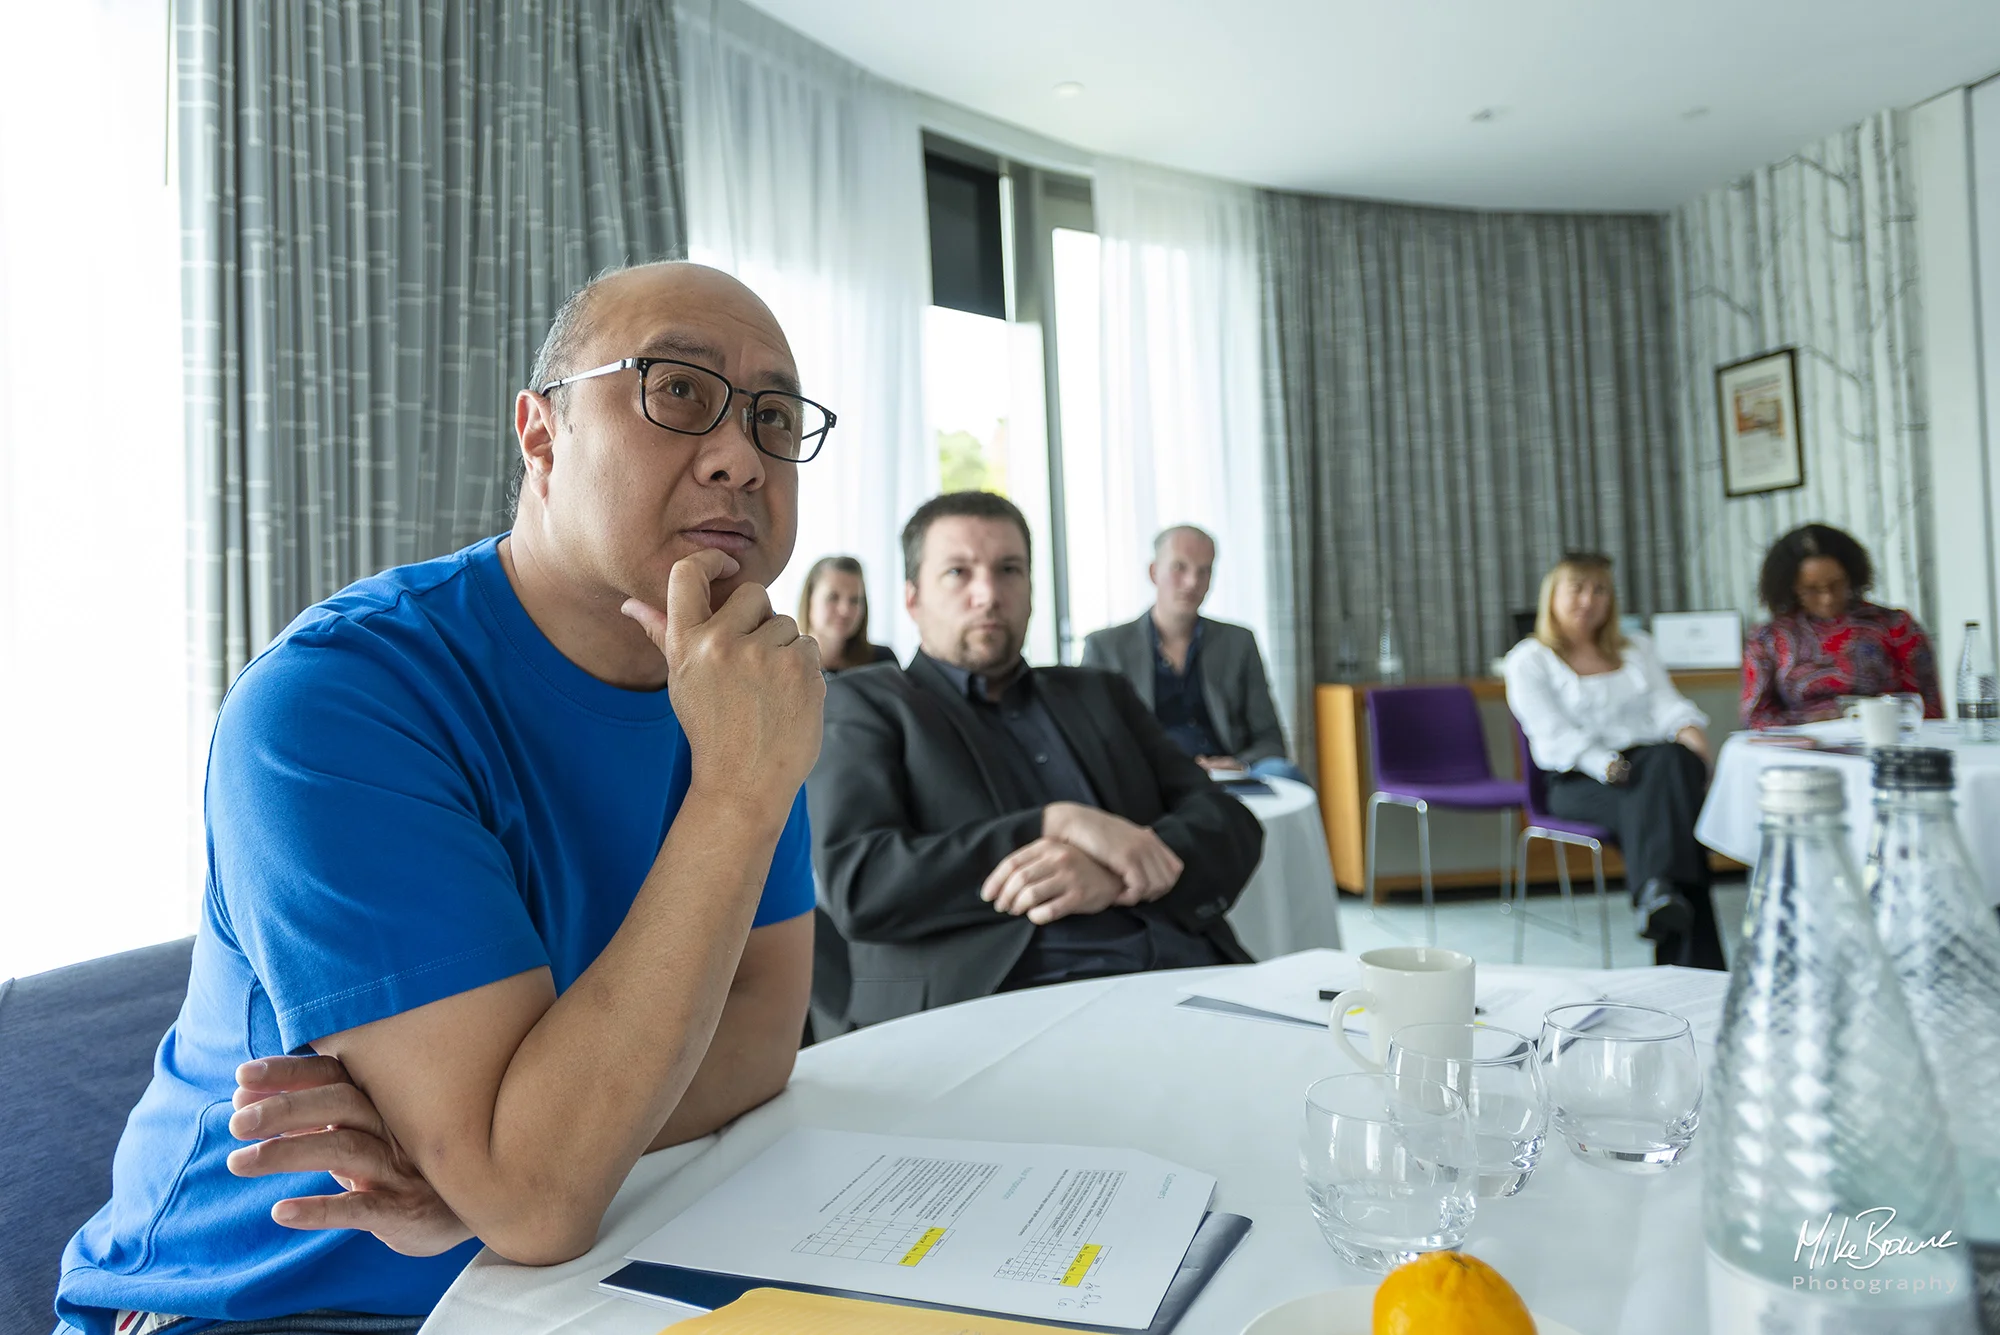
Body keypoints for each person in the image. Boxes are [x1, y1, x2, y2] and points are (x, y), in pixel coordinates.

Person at [54, 263, 832, 1334]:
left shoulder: (733, 683)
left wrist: (497, 1157)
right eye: (679, 391)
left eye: (776, 418)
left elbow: (758, 1035)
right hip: (261, 1302)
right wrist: (511, 1166)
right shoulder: (340, 700)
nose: (743, 456)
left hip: (585, 1265)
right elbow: (536, 1198)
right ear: (540, 435)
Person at [807, 492, 1264, 1030]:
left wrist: (1116, 874)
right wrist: (1056, 822)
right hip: (994, 1011)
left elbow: (1229, 824)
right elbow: (862, 881)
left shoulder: (1100, 693)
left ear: (1030, 589)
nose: (988, 594)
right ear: (913, 599)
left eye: (1009, 570)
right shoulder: (865, 703)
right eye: (958, 572)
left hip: (1184, 980)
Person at [1503, 552, 1725, 970]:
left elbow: (1667, 707)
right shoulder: (1528, 659)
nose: (1589, 599)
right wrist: (1608, 765)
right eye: (1578, 588)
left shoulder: (1637, 647)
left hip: (1654, 768)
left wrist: (1694, 737)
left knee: (1671, 761)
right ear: (1553, 595)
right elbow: (1553, 734)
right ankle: (1696, 963)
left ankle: (1657, 891)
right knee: (1670, 811)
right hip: (1578, 779)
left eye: (1600, 589)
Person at [1081, 525, 1308, 785]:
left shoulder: (1238, 642)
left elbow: (1270, 739)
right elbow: (1094, 743)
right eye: (1180, 567)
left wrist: (1239, 765)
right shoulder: (1106, 647)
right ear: (1154, 572)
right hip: (1151, 779)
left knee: (1285, 773)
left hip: (1230, 774)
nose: (1192, 582)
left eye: (1204, 571)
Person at [1741, 522, 1944, 728]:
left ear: (1852, 576)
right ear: (1791, 588)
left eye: (1836, 584)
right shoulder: (1769, 638)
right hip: (1801, 751)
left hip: (1884, 743)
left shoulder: (1894, 626)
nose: (1827, 598)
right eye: (1811, 589)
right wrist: (1820, 721)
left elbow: (1927, 710)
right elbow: (1756, 717)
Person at [797, 554, 896, 673]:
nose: (845, 610)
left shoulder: (883, 663)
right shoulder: (789, 665)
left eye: (854, 600)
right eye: (833, 597)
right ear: (809, 600)